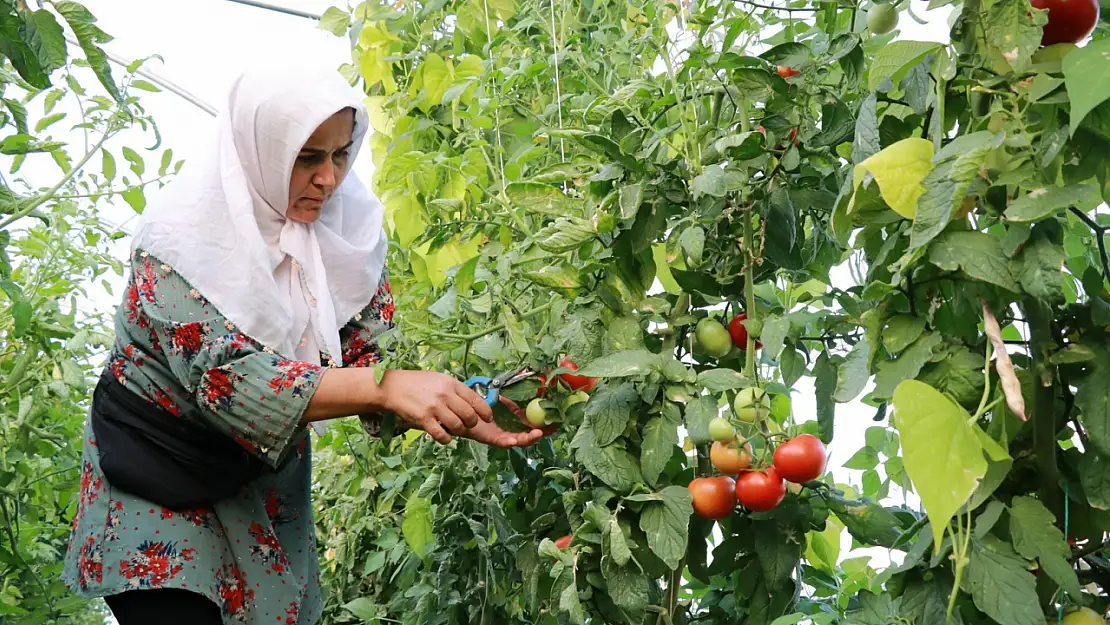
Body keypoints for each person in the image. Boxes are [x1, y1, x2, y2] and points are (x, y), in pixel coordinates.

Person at [61, 65, 545, 625]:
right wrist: (387, 389)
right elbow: (231, 384)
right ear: (261, 150)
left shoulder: (346, 237)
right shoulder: (180, 246)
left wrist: (463, 405)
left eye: (341, 154)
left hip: (257, 482)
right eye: (307, 157)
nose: (329, 179)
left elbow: (374, 361)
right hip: (153, 469)